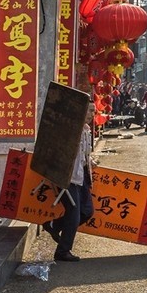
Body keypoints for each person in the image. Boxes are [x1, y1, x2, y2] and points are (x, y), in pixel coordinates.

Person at [46, 96, 95, 262]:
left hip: (81, 177)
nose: (91, 114)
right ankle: (62, 252)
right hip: (66, 177)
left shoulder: (86, 130)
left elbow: (83, 154)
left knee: (87, 212)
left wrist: (91, 162)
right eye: (88, 110)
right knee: (73, 215)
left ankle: (54, 225)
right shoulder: (67, 129)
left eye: (93, 111)